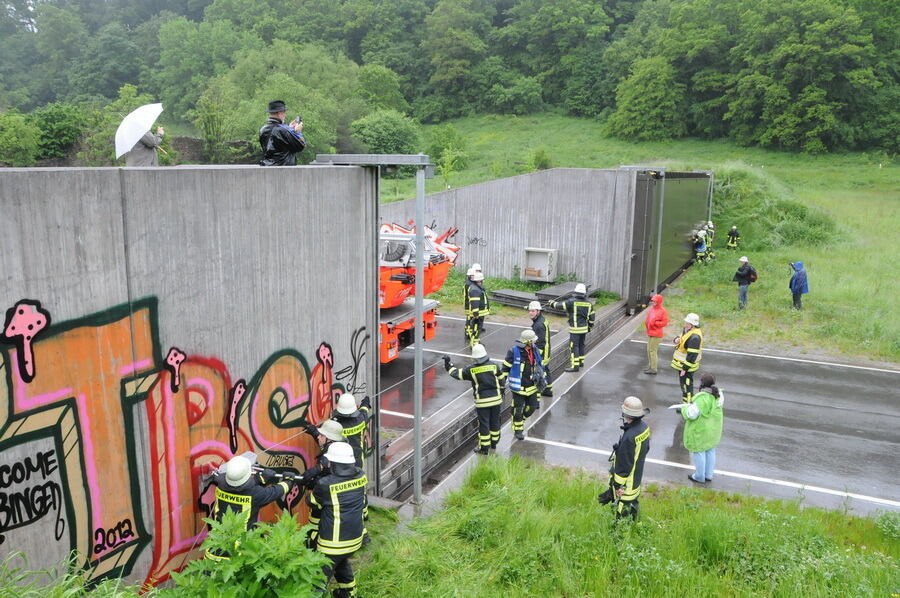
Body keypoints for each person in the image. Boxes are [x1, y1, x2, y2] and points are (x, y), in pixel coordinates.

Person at [204, 454, 292, 560]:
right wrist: (289, 480)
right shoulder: (255, 495)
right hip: (238, 556)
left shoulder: (221, 483)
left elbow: (241, 488)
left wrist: (261, 480)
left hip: (213, 550)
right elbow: (276, 491)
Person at [308, 442, 367, 598]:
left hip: (332, 544)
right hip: (354, 539)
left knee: (318, 579)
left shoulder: (325, 484)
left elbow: (313, 502)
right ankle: (349, 593)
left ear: (333, 463)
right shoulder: (361, 475)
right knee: (341, 562)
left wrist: (313, 487)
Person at [443, 343, 503, 453]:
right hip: (496, 400)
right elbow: (501, 379)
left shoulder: (471, 370)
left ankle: (484, 448)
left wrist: (448, 365)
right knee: (495, 422)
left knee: (484, 423)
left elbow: (457, 374)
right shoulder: (494, 365)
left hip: (482, 402)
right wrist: (501, 392)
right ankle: (494, 443)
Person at [597, 396, 651, 520]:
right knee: (633, 506)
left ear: (627, 415)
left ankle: (620, 537)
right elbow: (646, 449)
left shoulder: (629, 437)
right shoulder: (644, 428)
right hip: (636, 478)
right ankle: (635, 528)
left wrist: (617, 486)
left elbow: (624, 466)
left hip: (627, 485)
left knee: (623, 514)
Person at [500, 329, 546, 441]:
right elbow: (505, 369)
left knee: (532, 407)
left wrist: (542, 379)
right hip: (518, 388)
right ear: (528, 342)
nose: (535, 343)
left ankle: (519, 420)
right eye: (533, 341)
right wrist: (501, 386)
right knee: (518, 409)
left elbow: (540, 366)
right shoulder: (513, 352)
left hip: (532, 387)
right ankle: (518, 430)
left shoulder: (536, 351)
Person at [682, 373, 724, 484]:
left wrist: (683, 409)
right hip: (713, 429)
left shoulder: (701, 399)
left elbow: (691, 414)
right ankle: (708, 475)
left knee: (699, 451)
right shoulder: (719, 395)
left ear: (701, 383)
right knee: (710, 450)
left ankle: (699, 476)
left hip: (701, 430)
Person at [550, 283, 595, 372]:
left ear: (576, 292)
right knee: (581, 345)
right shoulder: (589, 304)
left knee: (574, 346)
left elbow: (559, 306)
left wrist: (551, 303)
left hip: (575, 329)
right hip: (584, 329)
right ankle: (581, 362)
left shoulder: (572, 302)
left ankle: (575, 366)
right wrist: (589, 326)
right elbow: (592, 317)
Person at [259, 100, 306, 166]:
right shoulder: (283, 130)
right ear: (279, 113)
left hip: (267, 167)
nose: (285, 115)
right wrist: (298, 132)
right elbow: (300, 145)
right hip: (283, 169)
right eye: (284, 112)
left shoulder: (262, 129)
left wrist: (289, 129)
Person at [670, 313, 703, 402]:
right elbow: (682, 338)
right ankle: (686, 402)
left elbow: (692, 355)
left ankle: (687, 405)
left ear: (692, 325)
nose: (685, 324)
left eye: (687, 322)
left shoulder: (695, 337)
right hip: (682, 365)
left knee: (687, 386)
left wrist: (685, 369)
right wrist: (676, 339)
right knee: (683, 385)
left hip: (687, 367)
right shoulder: (687, 330)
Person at [528, 300, 553, 397]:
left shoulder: (538, 325)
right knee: (546, 369)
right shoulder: (541, 320)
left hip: (542, 352)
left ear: (538, 311)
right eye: (530, 311)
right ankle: (548, 390)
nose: (530, 313)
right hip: (546, 349)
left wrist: (536, 354)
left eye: (533, 311)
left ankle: (540, 392)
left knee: (541, 371)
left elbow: (540, 341)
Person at [643, 294, 669, 375]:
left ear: (659, 301)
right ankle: (651, 366)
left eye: (655, 301)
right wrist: (647, 325)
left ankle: (653, 369)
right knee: (649, 350)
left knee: (652, 351)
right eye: (653, 300)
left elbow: (664, 322)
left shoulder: (663, 311)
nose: (653, 302)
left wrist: (655, 323)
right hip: (650, 332)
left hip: (656, 334)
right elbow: (648, 319)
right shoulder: (652, 309)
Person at [465, 271, 489, 346]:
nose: (483, 282)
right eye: (482, 280)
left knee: (477, 328)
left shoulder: (476, 288)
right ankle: (474, 344)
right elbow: (475, 303)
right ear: (479, 281)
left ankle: (475, 342)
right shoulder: (475, 289)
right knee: (476, 329)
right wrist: (476, 314)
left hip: (480, 313)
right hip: (478, 314)